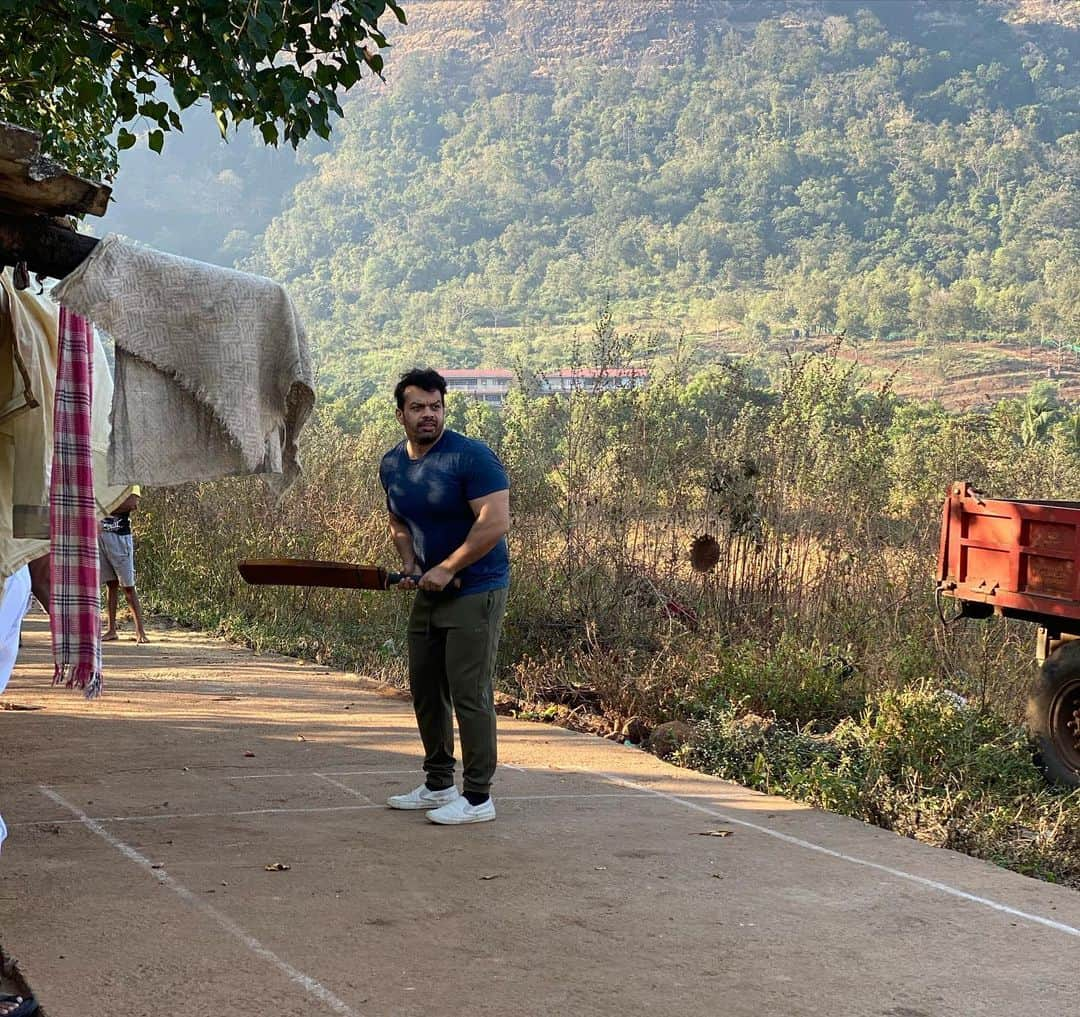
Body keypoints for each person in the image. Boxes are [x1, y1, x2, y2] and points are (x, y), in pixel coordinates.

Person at [380, 368, 510, 825]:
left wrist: (448, 566)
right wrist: (412, 563)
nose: (428, 415)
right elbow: (397, 519)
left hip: (476, 588)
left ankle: (478, 797)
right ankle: (439, 784)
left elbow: (494, 522)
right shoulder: (393, 464)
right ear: (401, 414)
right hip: (429, 590)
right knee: (426, 689)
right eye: (418, 407)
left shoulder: (472, 457)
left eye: (435, 406)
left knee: (469, 692)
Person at [98, 486, 149, 643]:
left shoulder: (129, 481)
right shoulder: (101, 477)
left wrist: (105, 506)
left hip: (120, 536)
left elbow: (131, 504)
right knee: (110, 583)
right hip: (101, 534)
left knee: (127, 585)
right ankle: (111, 629)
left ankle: (140, 631)